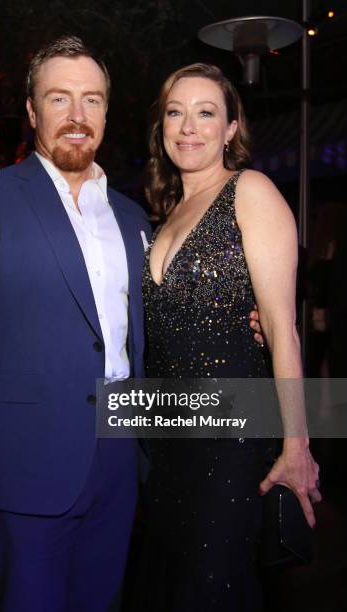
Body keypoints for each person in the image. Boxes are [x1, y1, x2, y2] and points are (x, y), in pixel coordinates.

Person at [0, 36, 150, 611]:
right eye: (59, 99)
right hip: (23, 471)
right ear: (31, 110)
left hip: (121, 461)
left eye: (92, 100)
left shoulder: (132, 214)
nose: (77, 116)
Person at [137, 63, 321, 611]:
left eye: (206, 113)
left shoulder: (250, 190)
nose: (188, 127)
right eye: (176, 112)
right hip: (166, 442)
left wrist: (297, 445)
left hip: (232, 445)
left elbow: (283, 330)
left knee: (212, 590)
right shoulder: (165, 215)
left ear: (231, 128)